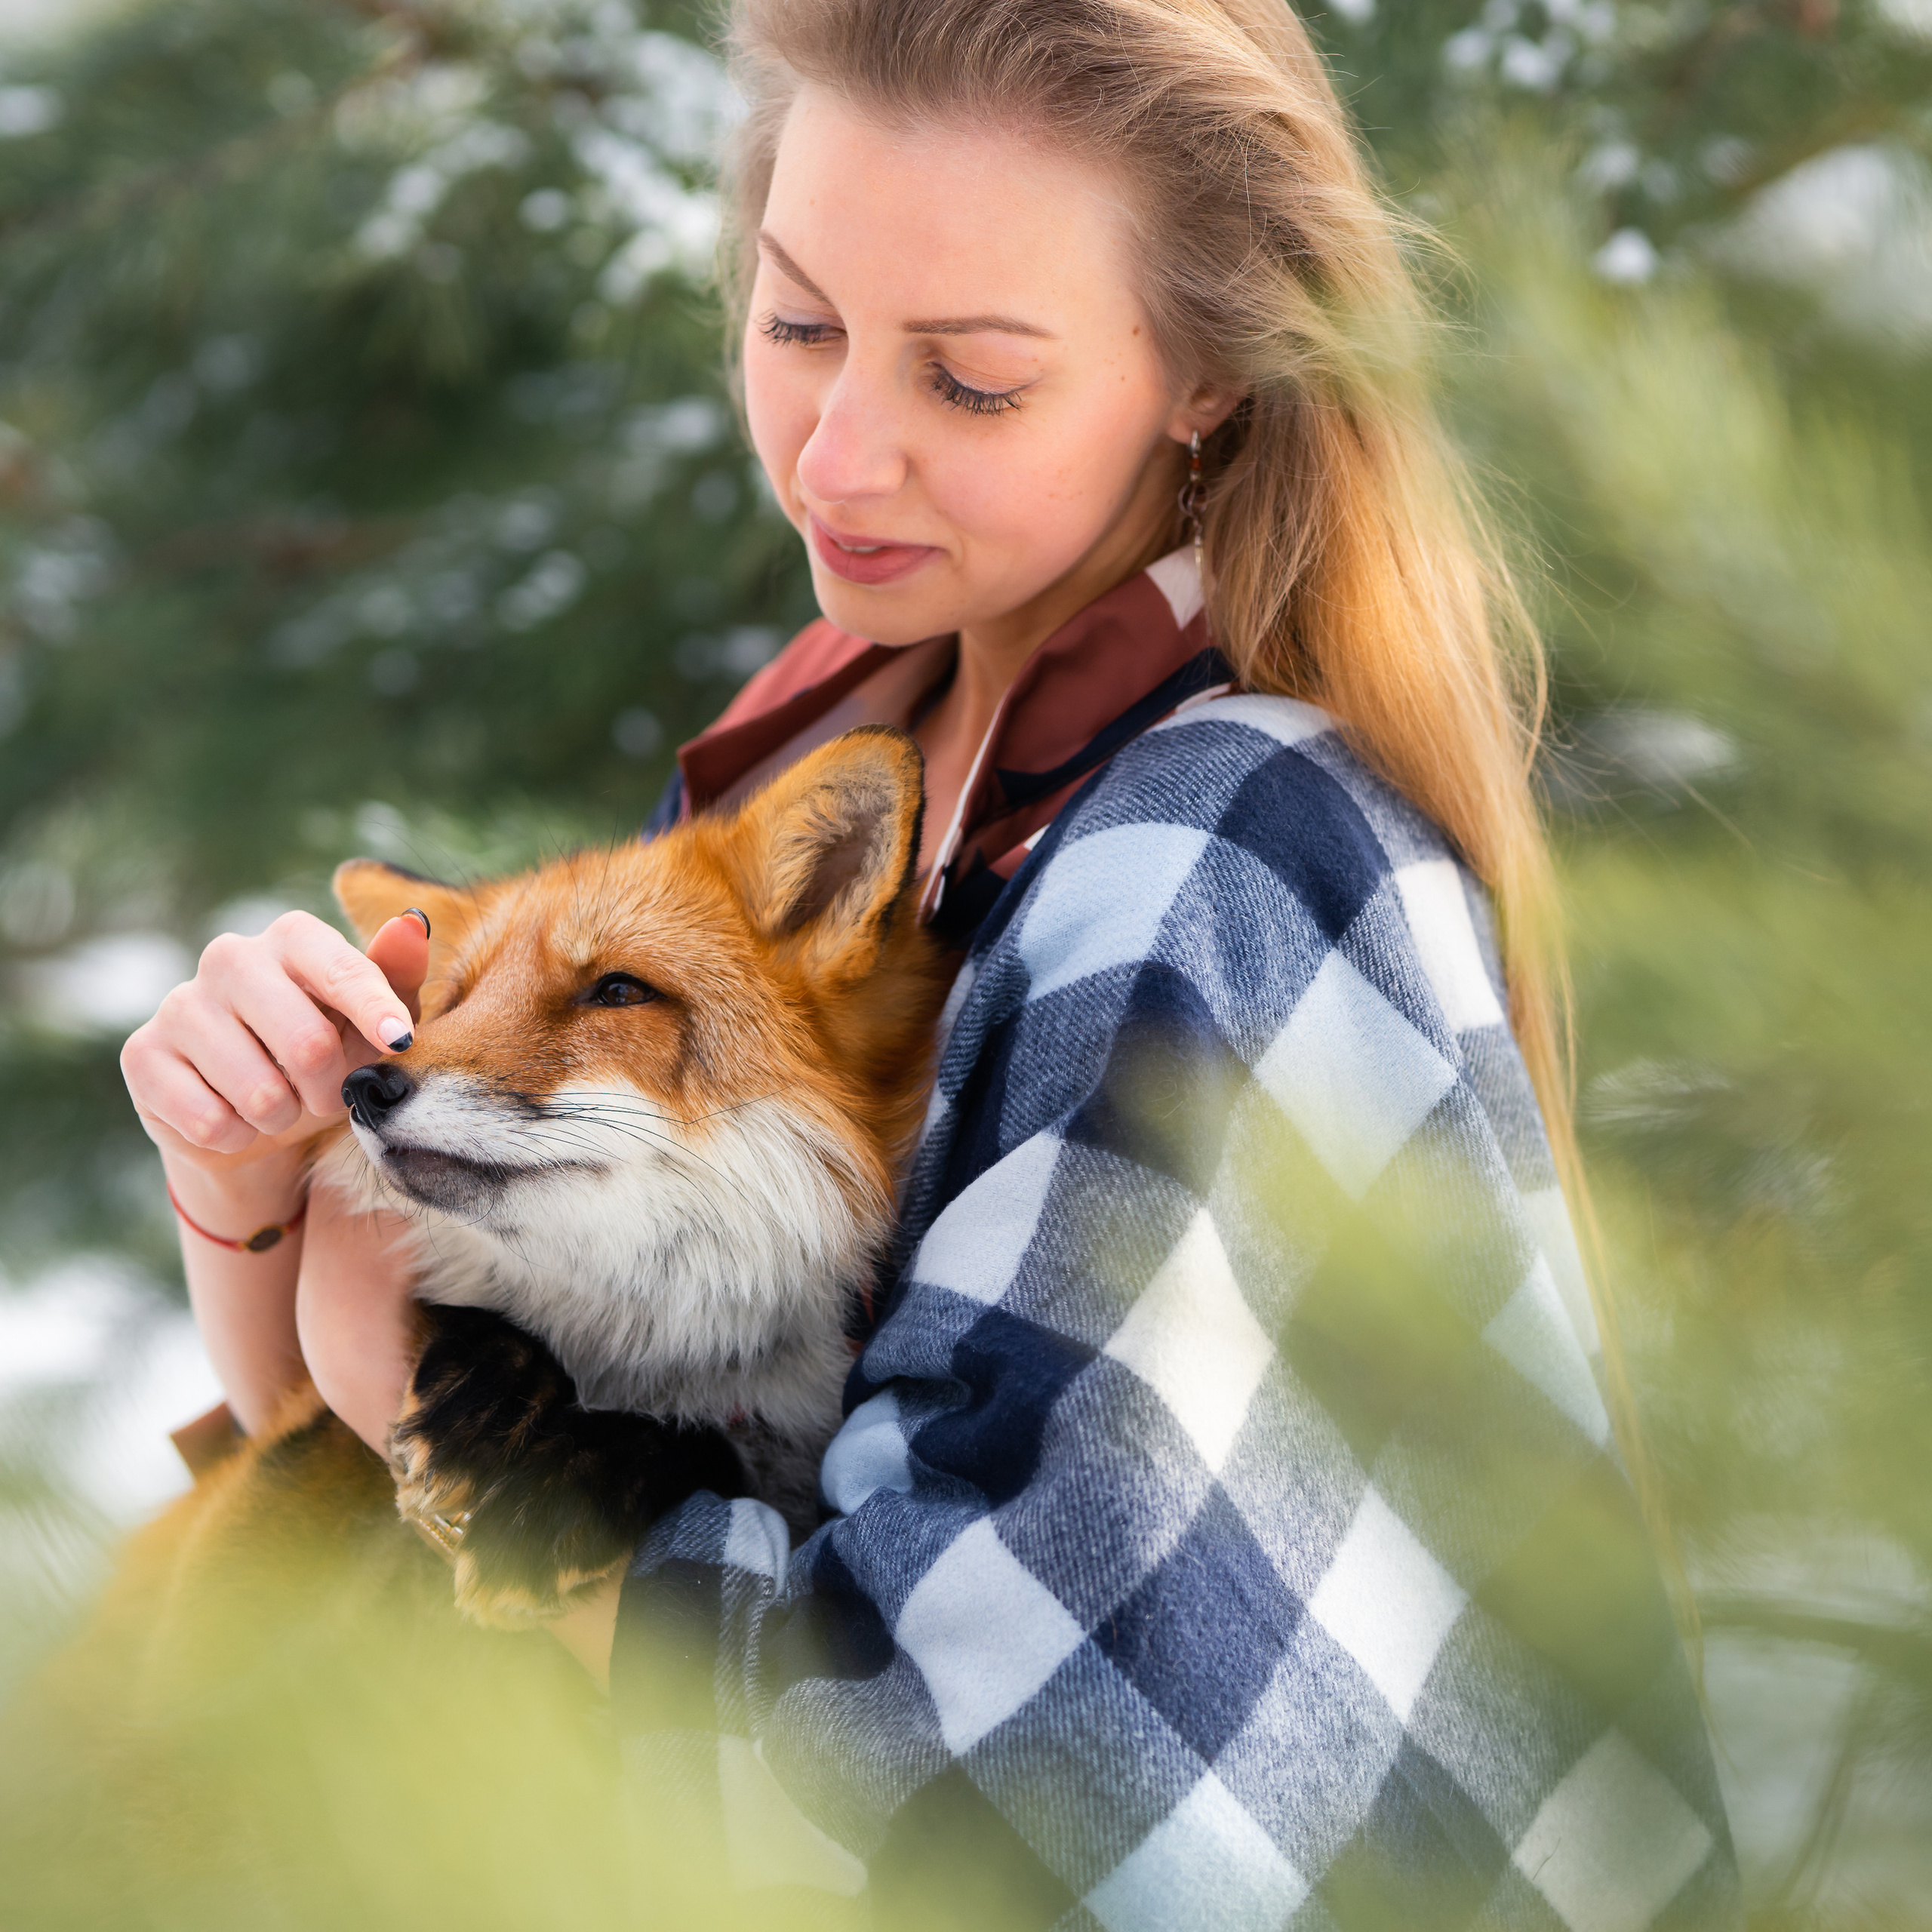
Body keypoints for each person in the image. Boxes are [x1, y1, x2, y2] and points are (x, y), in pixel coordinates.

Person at [119, 0, 1738, 1921]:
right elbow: (357, 1464)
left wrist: (433, 1403)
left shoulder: (1219, 848)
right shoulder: (817, 760)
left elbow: (997, 1794)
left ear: (1205, 371)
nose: (837, 452)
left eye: (968, 381)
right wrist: (253, 1185)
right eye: (798, 322)